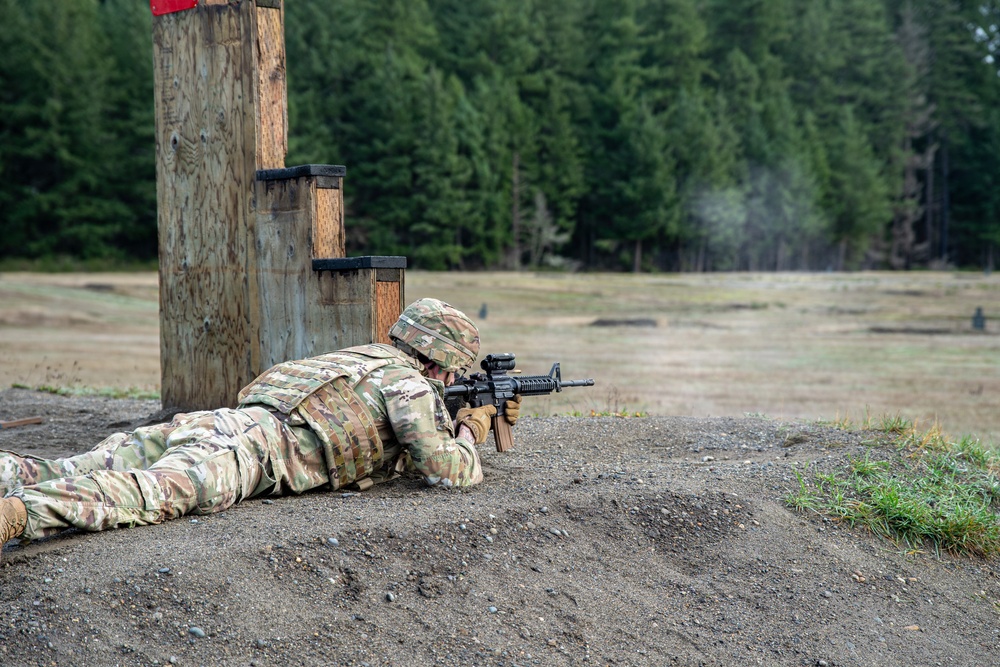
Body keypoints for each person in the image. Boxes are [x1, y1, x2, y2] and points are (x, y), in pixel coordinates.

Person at [0, 298, 519, 559]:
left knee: (69, 465)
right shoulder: (411, 387)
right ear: (439, 362)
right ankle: (20, 514)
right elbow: (443, 470)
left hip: (217, 422)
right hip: (246, 453)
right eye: (451, 371)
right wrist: (471, 430)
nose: (452, 380)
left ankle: (11, 477)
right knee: (146, 494)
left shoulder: (357, 359)